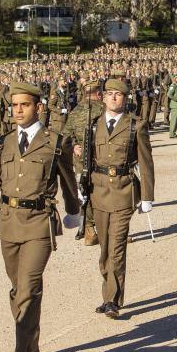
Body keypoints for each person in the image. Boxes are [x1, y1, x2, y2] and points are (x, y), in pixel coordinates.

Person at [0, 82, 81, 352]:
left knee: (30, 287)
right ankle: (30, 340)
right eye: (15, 105)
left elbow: (69, 181)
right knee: (18, 289)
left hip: (38, 222)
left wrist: (74, 212)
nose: (18, 110)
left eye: (24, 105)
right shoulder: (3, 143)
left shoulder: (55, 142)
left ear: (39, 108)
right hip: (8, 221)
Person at [85, 79, 154, 318]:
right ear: (103, 97)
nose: (114, 98)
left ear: (126, 99)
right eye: (110, 94)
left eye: (119, 95)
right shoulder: (94, 125)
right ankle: (108, 295)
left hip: (124, 191)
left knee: (116, 247)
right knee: (104, 249)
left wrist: (147, 196)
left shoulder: (136, 125)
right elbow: (86, 159)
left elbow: (146, 162)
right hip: (99, 191)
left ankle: (113, 299)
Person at [63, 81, 105, 246]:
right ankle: (104, 229)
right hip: (101, 158)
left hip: (81, 161)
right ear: (98, 93)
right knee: (103, 193)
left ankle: (89, 229)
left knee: (84, 192)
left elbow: (65, 137)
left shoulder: (74, 113)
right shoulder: (103, 110)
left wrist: (74, 146)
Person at [166, 74, 177, 138]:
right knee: (174, 120)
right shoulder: (173, 86)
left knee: (176, 121)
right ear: (174, 79)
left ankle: (173, 133)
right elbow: (169, 94)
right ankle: (172, 134)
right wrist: (176, 98)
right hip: (175, 105)